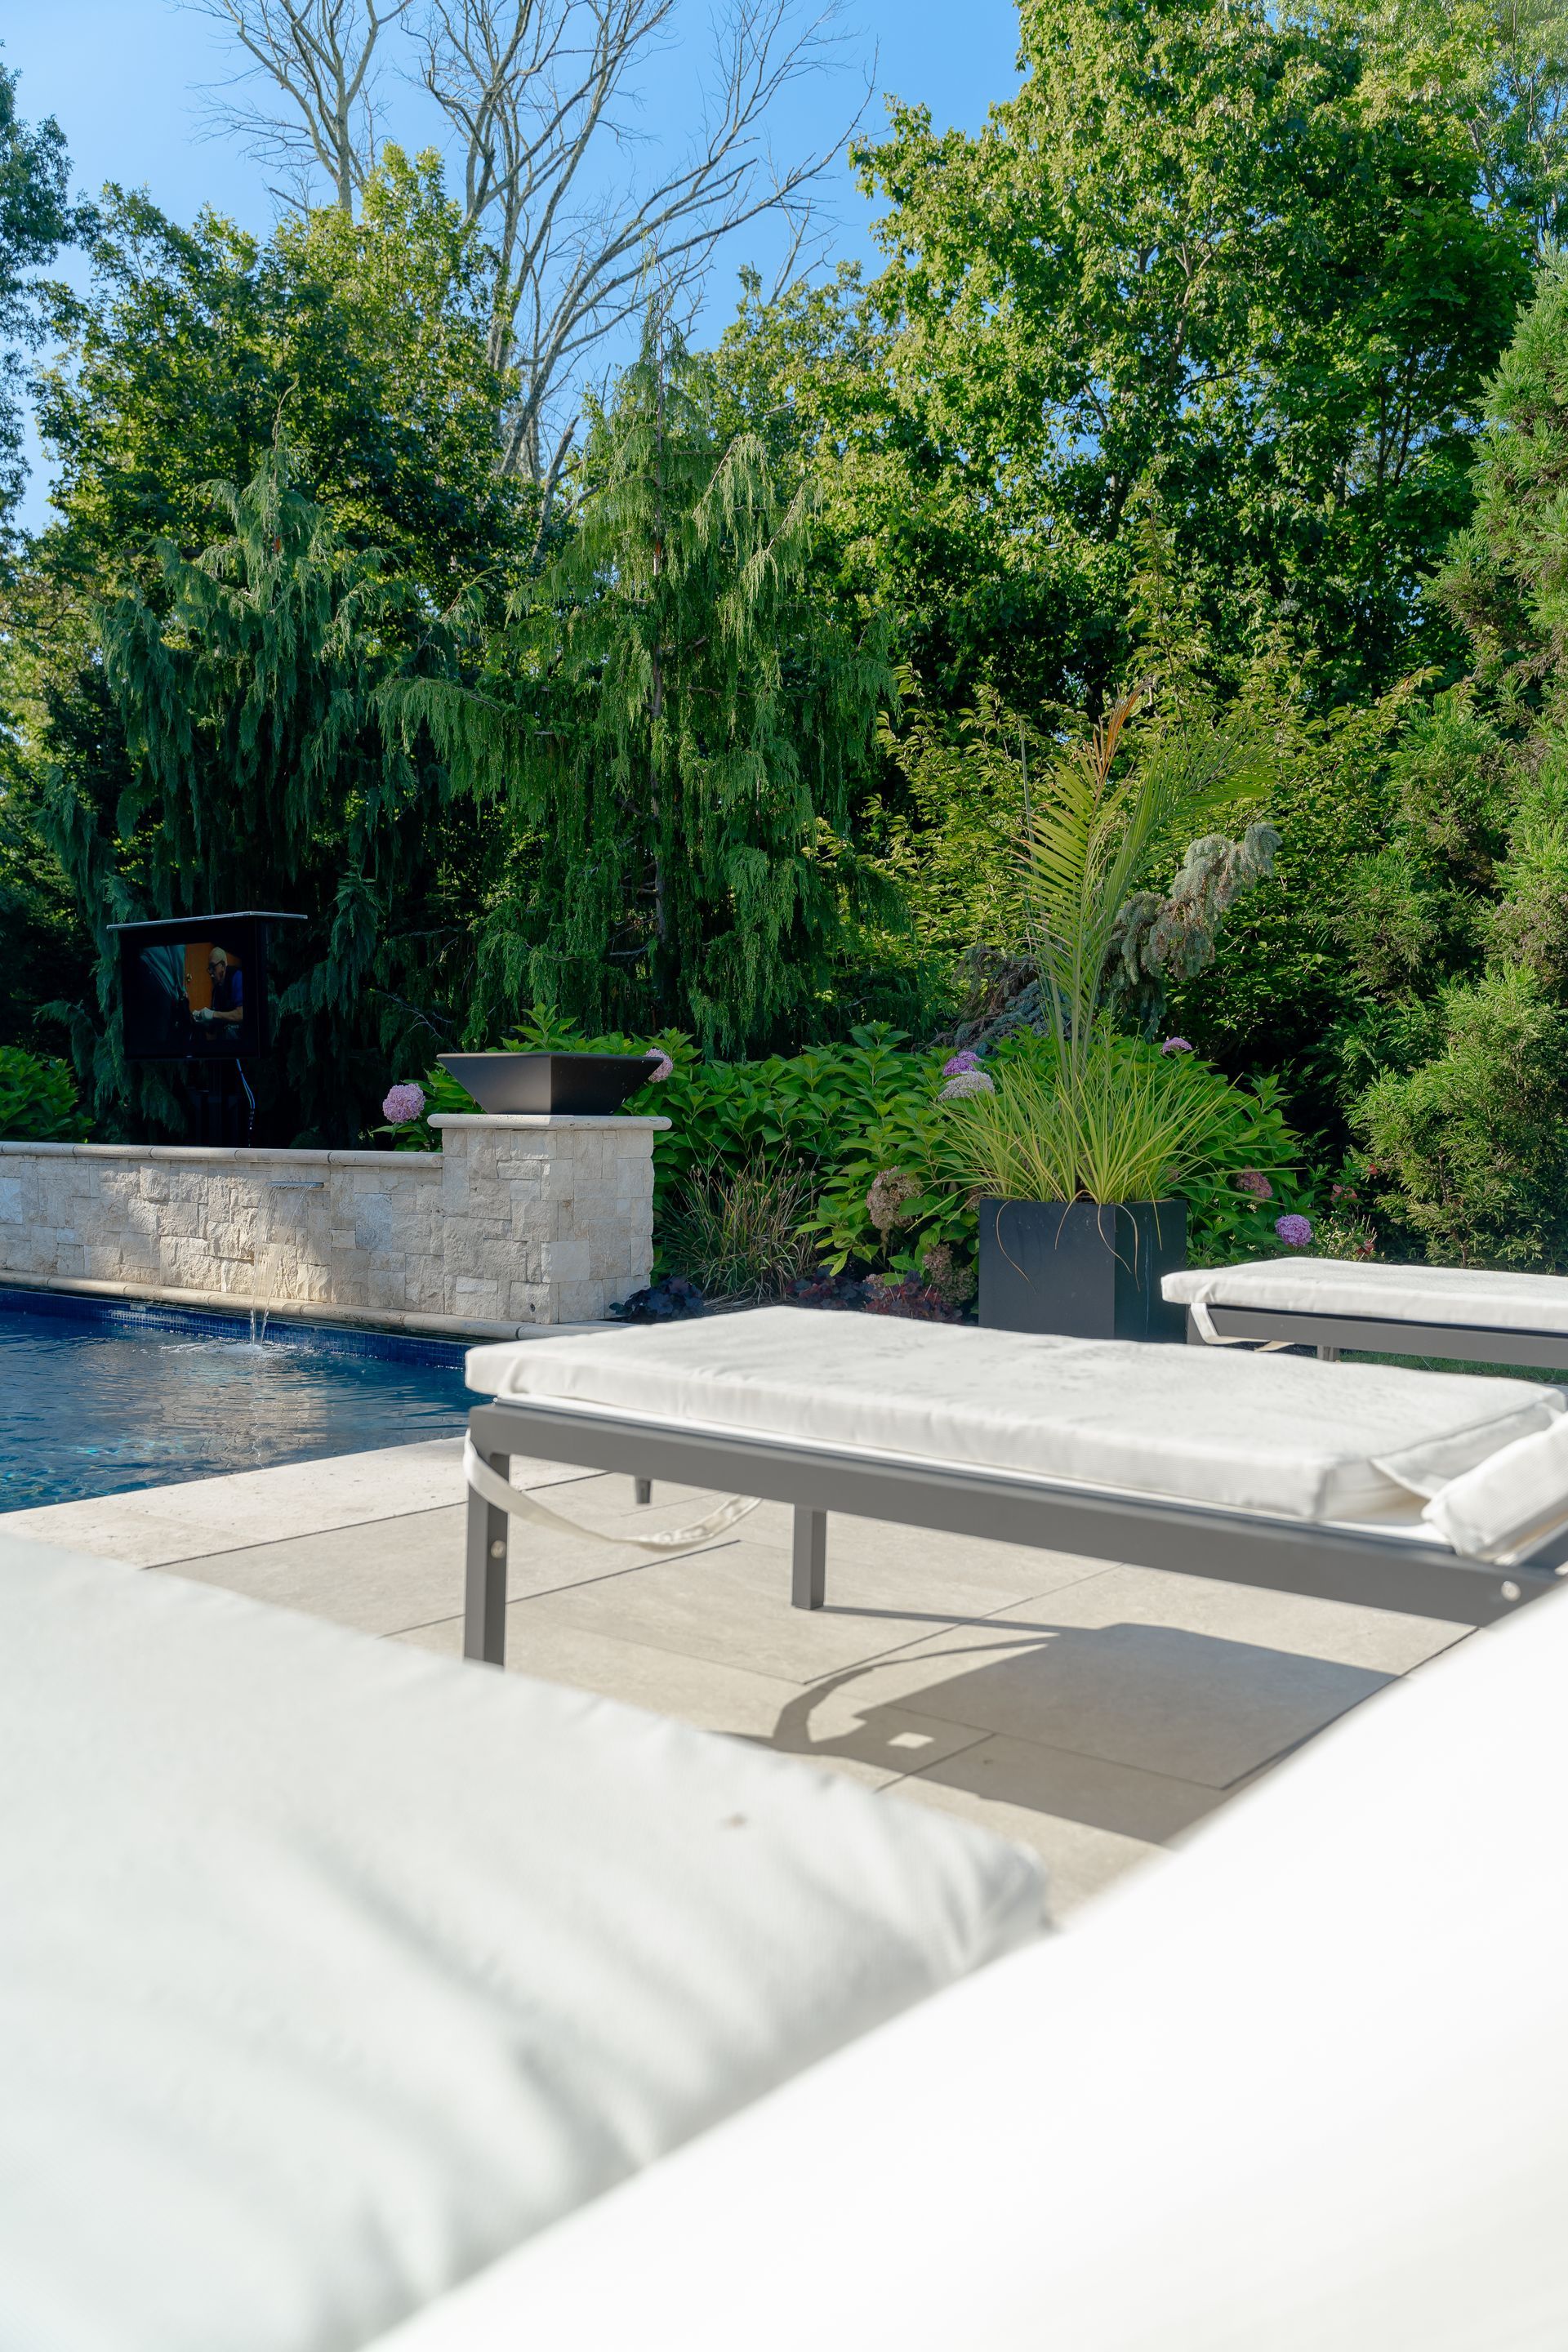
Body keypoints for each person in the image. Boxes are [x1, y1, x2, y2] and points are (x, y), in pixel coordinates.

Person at [192, 947, 244, 1036]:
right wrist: (202, 1019)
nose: (211, 973)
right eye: (209, 968)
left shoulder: (237, 976)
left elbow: (241, 1014)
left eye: (213, 967)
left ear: (223, 966)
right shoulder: (216, 990)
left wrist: (213, 1014)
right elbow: (212, 1029)